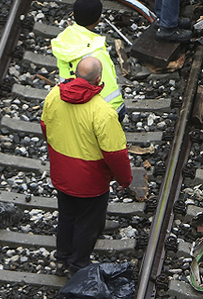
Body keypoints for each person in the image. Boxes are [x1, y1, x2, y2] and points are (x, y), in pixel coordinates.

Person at [41, 56, 134, 275]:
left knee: (66, 216)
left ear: (76, 74)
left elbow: (45, 127)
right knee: (87, 224)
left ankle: (62, 258)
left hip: (62, 172)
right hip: (90, 181)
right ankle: (78, 266)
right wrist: (125, 180)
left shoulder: (55, 94)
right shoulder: (102, 112)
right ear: (99, 78)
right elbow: (115, 154)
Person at [51, 0, 124, 119]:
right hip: (96, 112)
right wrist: (119, 111)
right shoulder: (96, 52)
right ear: (98, 18)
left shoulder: (65, 41)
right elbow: (109, 88)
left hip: (70, 103)